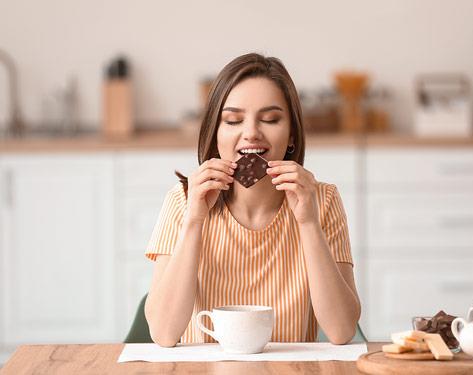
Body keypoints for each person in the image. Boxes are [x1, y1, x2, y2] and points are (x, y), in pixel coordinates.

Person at [144, 53, 361, 347]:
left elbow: (342, 330)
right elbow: (164, 333)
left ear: (293, 134)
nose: (251, 133)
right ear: (215, 133)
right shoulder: (182, 201)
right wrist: (194, 220)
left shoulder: (321, 200)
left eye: (270, 119)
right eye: (233, 120)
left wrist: (308, 222)